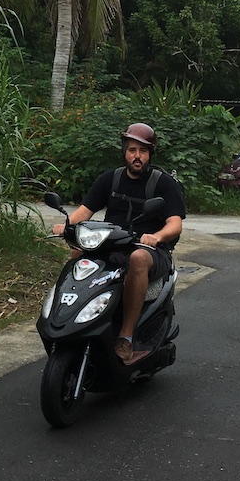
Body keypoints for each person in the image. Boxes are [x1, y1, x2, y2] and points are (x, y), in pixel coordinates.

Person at [52, 123, 184, 364]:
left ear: (150, 154)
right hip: (112, 244)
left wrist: (156, 236)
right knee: (78, 254)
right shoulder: (110, 179)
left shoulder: (163, 183)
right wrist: (66, 225)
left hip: (150, 250)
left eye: (143, 151)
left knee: (138, 258)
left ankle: (126, 337)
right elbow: (85, 211)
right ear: (124, 152)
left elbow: (175, 223)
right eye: (132, 150)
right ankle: (71, 320)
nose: (137, 156)